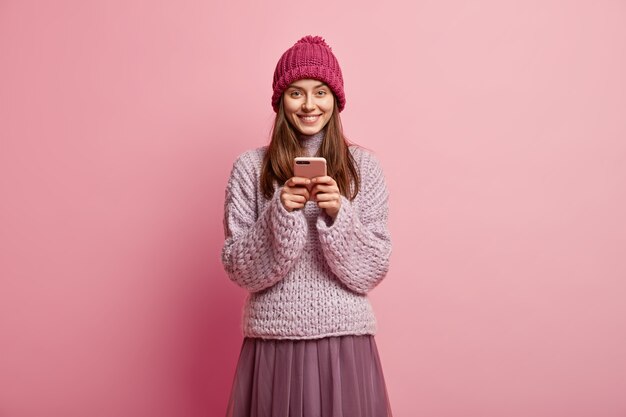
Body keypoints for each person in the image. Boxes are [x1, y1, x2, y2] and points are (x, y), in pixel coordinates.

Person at [221, 35, 393, 417]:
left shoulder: (364, 168)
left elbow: (374, 268)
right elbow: (238, 267)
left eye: (320, 92)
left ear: (336, 99)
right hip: (274, 341)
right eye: (296, 93)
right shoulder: (250, 168)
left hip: (344, 342)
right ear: (280, 100)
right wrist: (279, 213)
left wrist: (339, 215)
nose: (310, 104)